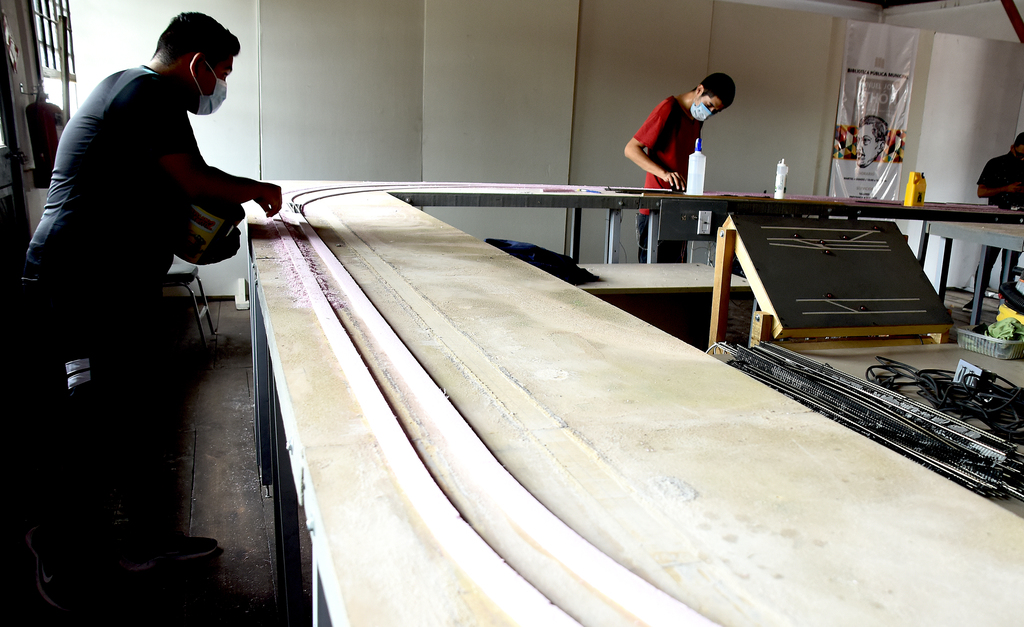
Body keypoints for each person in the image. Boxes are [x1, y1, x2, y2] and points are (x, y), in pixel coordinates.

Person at [20, 12, 281, 612]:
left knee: (131, 407)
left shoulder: (131, 89)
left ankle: (143, 542)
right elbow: (194, 179)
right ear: (196, 63)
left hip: (108, 281)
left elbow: (161, 190)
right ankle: (56, 545)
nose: (220, 86)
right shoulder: (149, 93)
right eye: (221, 72)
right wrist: (258, 190)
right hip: (77, 281)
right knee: (90, 415)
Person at [624, 72, 735, 263]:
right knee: (651, 275)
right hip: (656, 210)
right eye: (709, 105)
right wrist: (664, 174)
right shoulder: (668, 108)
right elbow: (630, 149)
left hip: (680, 208)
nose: (709, 113)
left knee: (676, 274)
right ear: (699, 89)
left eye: (715, 111)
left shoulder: (696, 119)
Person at [976, 132, 1024, 288]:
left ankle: (1005, 298)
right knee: (987, 261)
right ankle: (977, 297)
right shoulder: (996, 164)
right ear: (1012, 148)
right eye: (1020, 155)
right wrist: (1006, 188)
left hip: (1018, 222)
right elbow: (981, 192)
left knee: (1010, 265)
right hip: (996, 219)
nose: (1022, 159)